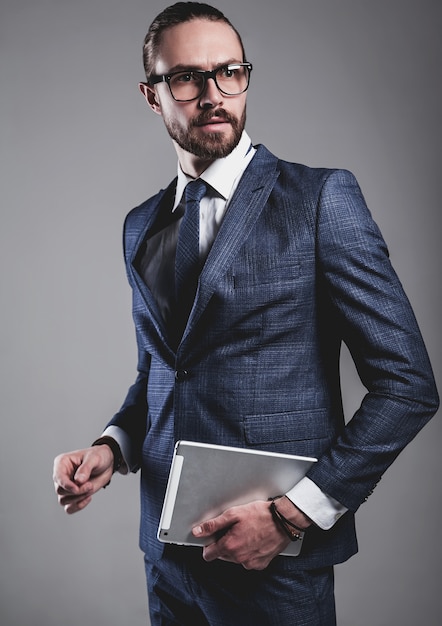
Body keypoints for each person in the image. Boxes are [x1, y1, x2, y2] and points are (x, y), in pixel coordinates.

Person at [53, 3, 439, 624]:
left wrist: (290, 518)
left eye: (229, 72)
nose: (213, 94)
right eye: (187, 78)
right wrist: (113, 445)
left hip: (274, 562)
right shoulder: (141, 226)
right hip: (167, 558)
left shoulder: (319, 200)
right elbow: (163, 370)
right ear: (154, 96)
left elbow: (409, 387)